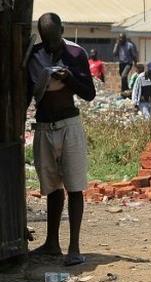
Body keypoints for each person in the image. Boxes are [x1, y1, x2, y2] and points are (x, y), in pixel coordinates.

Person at [26, 12, 96, 266]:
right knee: (52, 188)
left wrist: (69, 79)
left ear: (62, 31)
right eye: (47, 41)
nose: (51, 46)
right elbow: (26, 92)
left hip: (69, 125)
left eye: (55, 40)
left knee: (74, 187)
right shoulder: (33, 55)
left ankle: (74, 248)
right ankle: (52, 243)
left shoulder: (76, 54)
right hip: (44, 126)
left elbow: (89, 94)